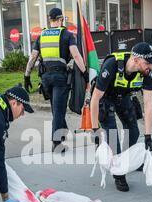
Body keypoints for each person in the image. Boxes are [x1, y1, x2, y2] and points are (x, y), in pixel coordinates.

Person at [90, 42, 152, 192]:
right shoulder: (111, 65)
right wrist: (95, 129)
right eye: (147, 63)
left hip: (124, 96)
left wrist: (148, 135)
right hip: (105, 98)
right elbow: (95, 99)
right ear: (135, 60)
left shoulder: (147, 74)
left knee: (134, 132)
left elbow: (148, 104)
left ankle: (127, 160)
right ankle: (118, 175)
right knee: (113, 135)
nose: (151, 67)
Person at [23, 7, 88, 153]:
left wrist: (27, 75)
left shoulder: (42, 35)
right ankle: (57, 143)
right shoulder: (66, 34)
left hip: (45, 78)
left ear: (49, 20)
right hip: (60, 78)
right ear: (61, 19)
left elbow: (33, 57)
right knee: (58, 110)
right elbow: (76, 56)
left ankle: (63, 130)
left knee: (55, 108)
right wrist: (85, 73)